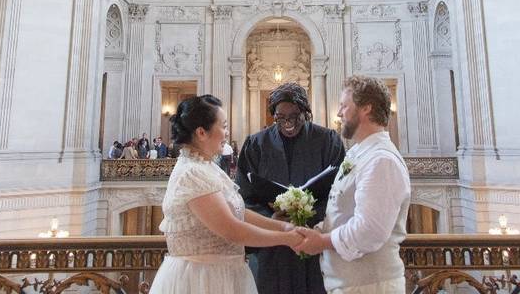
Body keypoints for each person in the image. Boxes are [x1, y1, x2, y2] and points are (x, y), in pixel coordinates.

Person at [149, 95, 304, 294]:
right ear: (201, 132)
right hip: (202, 279)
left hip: (222, 273)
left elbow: (238, 211)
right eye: (223, 126)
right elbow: (232, 229)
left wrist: (283, 226)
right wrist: (288, 239)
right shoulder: (192, 173)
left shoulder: (206, 166)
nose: (227, 132)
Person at [294, 76, 411, 294]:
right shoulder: (359, 153)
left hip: (370, 286)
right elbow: (343, 213)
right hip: (351, 284)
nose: (339, 114)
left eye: (344, 106)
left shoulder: (381, 160)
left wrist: (321, 242)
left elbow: (369, 230)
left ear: (366, 108)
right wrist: (313, 232)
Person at [236, 83, 345, 294]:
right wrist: (272, 220)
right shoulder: (256, 145)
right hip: (272, 248)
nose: (288, 123)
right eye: (280, 117)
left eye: (295, 116)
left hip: (314, 241)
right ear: (273, 116)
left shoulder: (328, 141)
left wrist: (308, 216)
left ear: (306, 112)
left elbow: (339, 192)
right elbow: (244, 198)